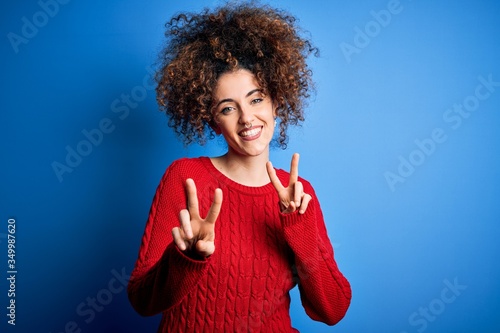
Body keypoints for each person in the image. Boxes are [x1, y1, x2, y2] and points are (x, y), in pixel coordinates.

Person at [127, 2, 351, 332]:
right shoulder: (186, 179)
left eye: (256, 99)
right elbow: (142, 302)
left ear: (277, 101)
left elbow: (331, 310)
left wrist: (300, 231)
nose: (247, 118)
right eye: (228, 108)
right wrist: (186, 258)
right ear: (214, 121)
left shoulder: (299, 196)